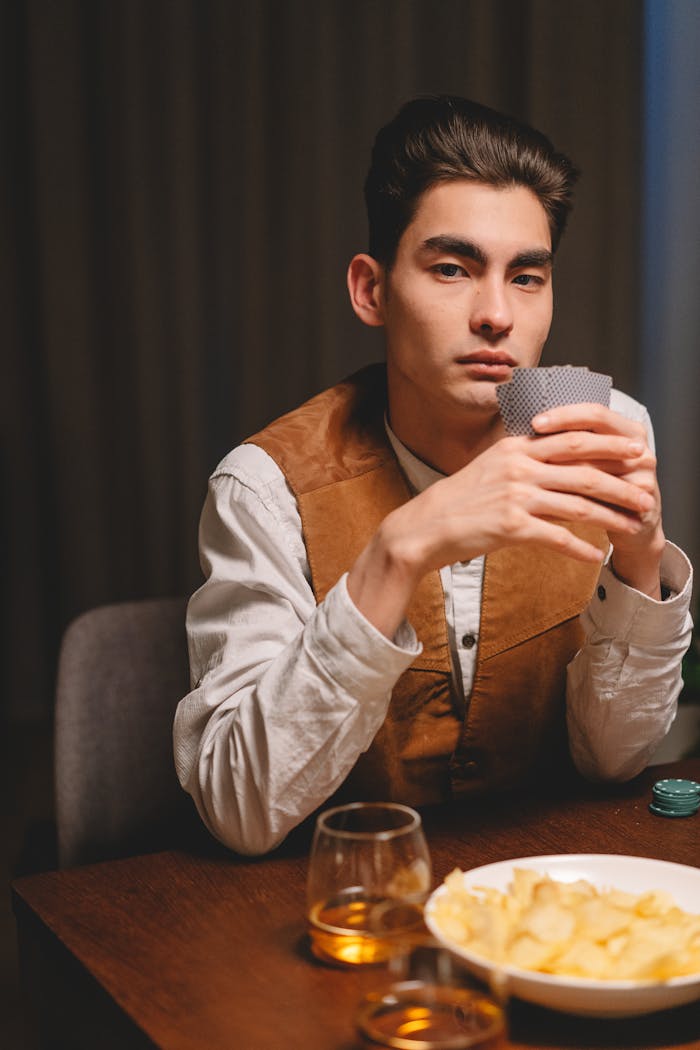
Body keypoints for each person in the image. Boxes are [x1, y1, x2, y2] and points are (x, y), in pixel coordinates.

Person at [174, 96, 692, 856]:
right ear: (372, 290)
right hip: (354, 903)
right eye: (452, 269)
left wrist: (642, 565)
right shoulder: (266, 485)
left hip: (546, 895)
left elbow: (615, 761)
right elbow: (239, 813)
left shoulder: (608, 433)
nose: (495, 314)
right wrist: (396, 553)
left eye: (526, 277)